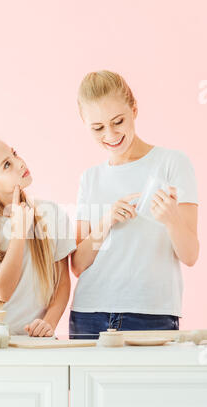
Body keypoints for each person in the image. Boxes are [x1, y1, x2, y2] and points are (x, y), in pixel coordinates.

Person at [70, 70, 199, 339]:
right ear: (84, 124)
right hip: (89, 315)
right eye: (97, 128)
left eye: (118, 121)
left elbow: (190, 255)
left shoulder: (172, 163)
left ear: (134, 110)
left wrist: (171, 218)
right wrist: (105, 222)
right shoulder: (90, 178)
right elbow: (78, 264)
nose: (111, 134)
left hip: (151, 314)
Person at [0, 136, 76, 336]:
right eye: (6, 165)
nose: (20, 163)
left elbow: (62, 283)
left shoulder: (53, 213)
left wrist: (48, 323)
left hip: (34, 339)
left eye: (14, 154)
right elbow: (2, 290)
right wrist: (19, 232)